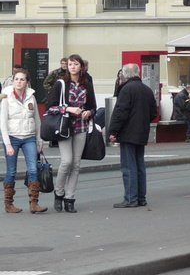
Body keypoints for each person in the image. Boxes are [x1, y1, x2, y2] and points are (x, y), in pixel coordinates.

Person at [48, 54, 96, 213]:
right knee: (66, 161)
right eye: (70, 64)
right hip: (65, 127)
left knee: (76, 164)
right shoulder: (61, 84)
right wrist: (68, 109)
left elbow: (93, 106)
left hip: (81, 126)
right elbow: (51, 107)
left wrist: (88, 112)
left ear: (81, 66)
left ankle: (70, 198)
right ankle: (59, 192)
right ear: (67, 67)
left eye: (76, 64)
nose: (73, 67)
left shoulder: (87, 84)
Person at [107, 63, 157, 208]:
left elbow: (120, 112)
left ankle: (130, 198)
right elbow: (153, 113)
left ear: (125, 74)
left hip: (128, 132)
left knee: (128, 166)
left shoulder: (126, 89)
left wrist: (113, 131)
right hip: (142, 132)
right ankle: (141, 197)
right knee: (139, 165)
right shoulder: (147, 90)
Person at [1, 69, 46, 214]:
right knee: (11, 171)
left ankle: (34, 203)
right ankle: (9, 204)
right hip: (13, 137)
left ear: (27, 82)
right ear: (13, 81)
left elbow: (37, 119)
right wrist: (7, 144)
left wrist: (40, 140)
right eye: (16, 79)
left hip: (29, 137)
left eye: (22, 79)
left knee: (33, 169)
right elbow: (2, 122)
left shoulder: (31, 97)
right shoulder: (6, 97)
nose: (19, 82)